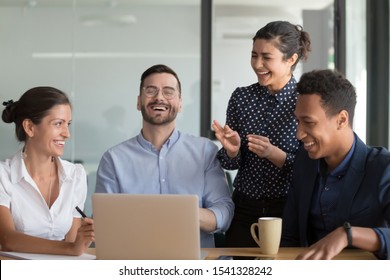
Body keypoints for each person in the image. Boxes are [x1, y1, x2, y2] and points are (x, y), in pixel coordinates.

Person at [95, 64, 234, 248]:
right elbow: (104, 223)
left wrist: (179, 213)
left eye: (168, 92)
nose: (159, 97)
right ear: (139, 102)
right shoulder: (113, 159)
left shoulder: (205, 151)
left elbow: (224, 214)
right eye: (151, 90)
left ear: (180, 103)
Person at [212, 20, 311, 247]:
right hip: (244, 207)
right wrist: (233, 151)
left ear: (291, 59)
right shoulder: (241, 98)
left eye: (266, 57)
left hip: (289, 208)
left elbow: (314, 168)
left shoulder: (306, 101)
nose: (257, 64)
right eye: (254, 55)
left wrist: (274, 154)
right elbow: (229, 163)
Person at [281, 69, 390, 260]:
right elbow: (289, 237)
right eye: (298, 121)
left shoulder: (383, 167)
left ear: (341, 120)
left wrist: (348, 234)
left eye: (308, 122)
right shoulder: (304, 162)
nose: (299, 134)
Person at [0, 87, 94, 256]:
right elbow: (8, 240)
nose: (67, 134)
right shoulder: (3, 175)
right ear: (30, 127)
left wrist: (84, 237)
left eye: (68, 124)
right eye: (58, 124)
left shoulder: (75, 175)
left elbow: (73, 244)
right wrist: (70, 248)